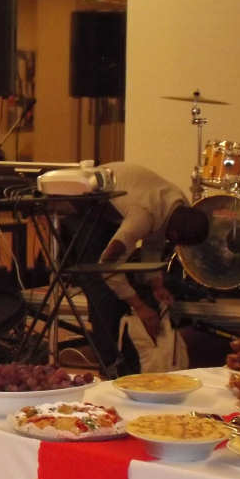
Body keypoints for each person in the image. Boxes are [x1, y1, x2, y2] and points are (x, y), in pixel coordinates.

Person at [63, 161, 209, 376]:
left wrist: (156, 285)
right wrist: (139, 306)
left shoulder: (179, 204)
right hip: (87, 202)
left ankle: (131, 357)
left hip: (121, 202)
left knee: (135, 285)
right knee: (101, 288)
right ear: (175, 235)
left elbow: (154, 242)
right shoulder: (142, 216)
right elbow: (107, 266)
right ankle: (110, 365)